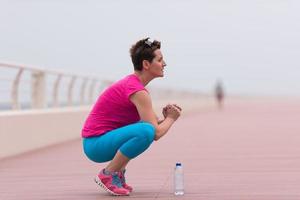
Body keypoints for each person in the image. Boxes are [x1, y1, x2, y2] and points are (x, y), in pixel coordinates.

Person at [81, 38, 182, 196]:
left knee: (145, 129)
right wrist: (171, 119)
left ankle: (117, 174)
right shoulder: (137, 90)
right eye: (160, 60)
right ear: (146, 64)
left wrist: (166, 117)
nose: (164, 64)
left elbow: (153, 123)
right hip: (96, 144)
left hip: (99, 142)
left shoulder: (134, 86)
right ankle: (108, 174)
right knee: (145, 132)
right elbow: (155, 133)